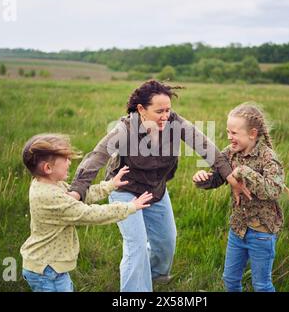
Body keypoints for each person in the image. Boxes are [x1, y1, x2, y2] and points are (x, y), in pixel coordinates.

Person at [67, 80, 249, 292]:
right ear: (141, 109)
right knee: (136, 246)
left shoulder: (174, 123)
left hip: (156, 190)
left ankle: (155, 275)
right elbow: (96, 157)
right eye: (159, 111)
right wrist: (77, 190)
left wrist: (231, 179)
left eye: (168, 110)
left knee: (166, 242)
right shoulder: (124, 129)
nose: (165, 116)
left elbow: (206, 147)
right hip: (125, 190)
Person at [20, 133, 153, 292]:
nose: (69, 163)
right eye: (65, 159)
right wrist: (129, 207)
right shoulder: (49, 196)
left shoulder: (49, 184)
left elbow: (79, 198)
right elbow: (89, 214)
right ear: (48, 168)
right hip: (46, 270)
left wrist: (110, 185)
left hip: (52, 266)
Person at [193, 103, 289, 292]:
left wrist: (244, 172)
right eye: (227, 132)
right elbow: (217, 178)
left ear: (252, 134)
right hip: (237, 229)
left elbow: (273, 191)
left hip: (262, 232)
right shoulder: (229, 153)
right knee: (230, 280)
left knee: (261, 285)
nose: (229, 137)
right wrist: (201, 179)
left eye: (234, 133)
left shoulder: (268, 158)